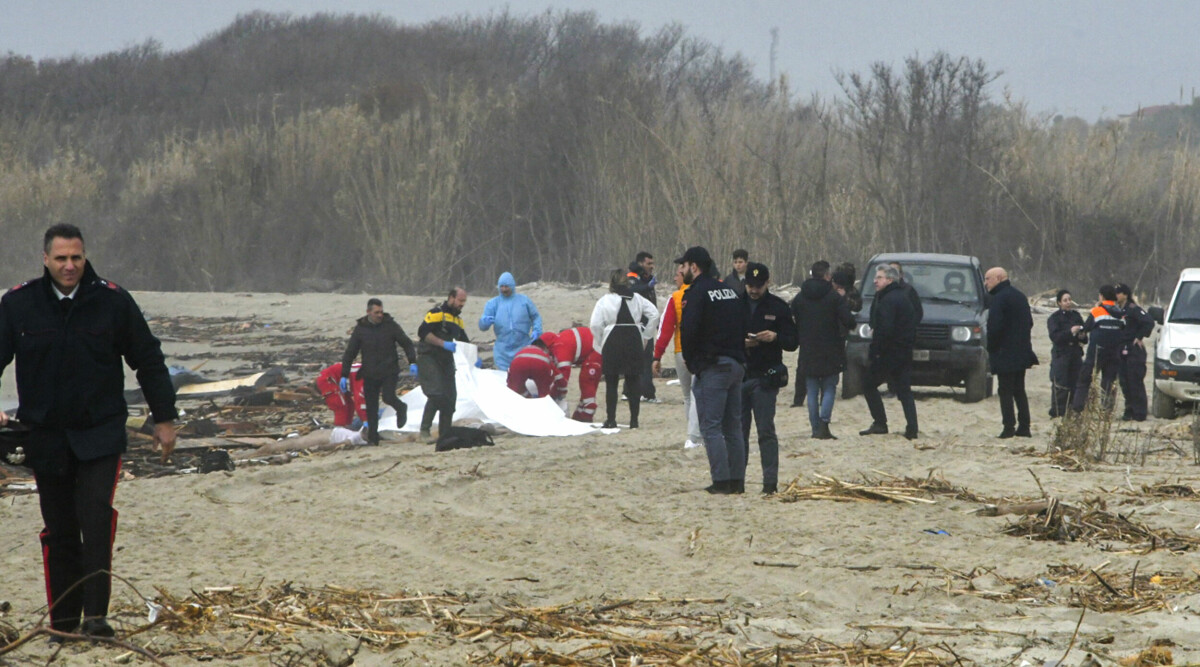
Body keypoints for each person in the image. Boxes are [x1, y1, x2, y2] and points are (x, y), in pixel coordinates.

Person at [0, 224, 177, 641]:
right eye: (60, 258)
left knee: (95, 520)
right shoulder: (19, 304)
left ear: (85, 257)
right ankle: (64, 622)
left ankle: (96, 618)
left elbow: (148, 359)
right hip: (45, 435)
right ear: (45, 259)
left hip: (100, 433)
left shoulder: (112, 301)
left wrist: (165, 419)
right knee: (59, 529)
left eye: (75, 258)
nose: (69, 266)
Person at [678, 246, 749, 494]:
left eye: (684, 266)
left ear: (694, 267)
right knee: (733, 426)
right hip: (736, 364)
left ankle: (721, 481)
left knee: (711, 426)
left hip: (713, 366)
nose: (681, 270)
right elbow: (743, 323)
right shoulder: (728, 290)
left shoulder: (696, 293)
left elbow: (688, 330)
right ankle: (737, 481)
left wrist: (692, 362)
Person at [740, 263, 798, 495]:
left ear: (768, 283)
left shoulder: (779, 306)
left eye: (758, 286)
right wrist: (740, 342)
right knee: (738, 433)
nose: (753, 290)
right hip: (740, 376)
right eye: (750, 286)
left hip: (765, 378)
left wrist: (775, 336)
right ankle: (736, 481)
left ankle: (769, 483)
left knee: (766, 431)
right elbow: (720, 336)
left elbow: (793, 341)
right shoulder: (734, 304)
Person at [340, 298, 417, 445]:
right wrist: (344, 375)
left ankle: (401, 408)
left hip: (389, 370)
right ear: (369, 312)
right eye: (377, 313)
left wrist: (412, 361)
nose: (380, 315)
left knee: (388, 397)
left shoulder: (390, 325)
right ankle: (373, 439)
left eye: (381, 312)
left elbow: (406, 343)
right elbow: (350, 353)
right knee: (371, 408)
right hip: (369, 372)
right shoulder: (361, 329)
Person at [792, 261, 855, 439]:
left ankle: (814, 428)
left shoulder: (800, 296)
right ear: (827, 276)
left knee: (811, 389)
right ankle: (824, 424)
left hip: (808, 347)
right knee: (829, 387)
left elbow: (793, 313)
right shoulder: (834, 297)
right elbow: (849, 320)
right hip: (831, 348)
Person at [591, 269, 659, 429]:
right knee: (633, 380)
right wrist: (646, 335)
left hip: (612, 339)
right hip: (633, 339)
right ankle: (634, 421)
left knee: (612, 382)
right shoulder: (637, 299)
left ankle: (611, 419)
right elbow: (655, 314)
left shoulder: (604, 300)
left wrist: (600, 341)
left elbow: (594, 324)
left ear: (612, 283)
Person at [859, 265, 919, 440]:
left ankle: (880, 423)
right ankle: (912, 428)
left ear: (890, 280)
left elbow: (885, 330)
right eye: (875, 277)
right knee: (904, 390)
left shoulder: (888, 300)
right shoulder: (902, 296)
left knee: (869, 385)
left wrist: (876, 352)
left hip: (888, 353)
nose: (875, 281)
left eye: (879, 277)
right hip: (904, 351)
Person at [652, 261, 703, 449]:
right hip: (699, 351)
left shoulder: (676, 297)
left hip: (681, 350)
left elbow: (665, 329)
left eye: (677, 274)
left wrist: (657, 356)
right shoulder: (701, 293)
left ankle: (692, 435)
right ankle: (697, 434)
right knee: (697, 394)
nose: (674, 277)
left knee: (688, 396)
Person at [984, 267, 1038, 438]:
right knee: (1019, 390)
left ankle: (1008, 427)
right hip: (1021, 351)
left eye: (988, 279)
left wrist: (991, 348)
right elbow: (1029, 323)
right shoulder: (1020, 296)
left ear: (999, 278)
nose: (985, 283)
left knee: (1005, 391)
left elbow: (994, 328)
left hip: (1004, 352)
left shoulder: (999, 299)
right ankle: (1024, 427)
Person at [417, 287, 472, 442]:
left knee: (450, 398)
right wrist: (443, 344)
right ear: (451, 298)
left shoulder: (458, 321)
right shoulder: (436, 314)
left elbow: (464, 342)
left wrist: (473, 358)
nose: (462, 304)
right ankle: (424, 431)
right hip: (429, 357)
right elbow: (423, 332)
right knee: (436, 394)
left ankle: (445, 433)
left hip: (447, 361)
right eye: (460, 301)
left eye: (464, 301)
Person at [1071, 285, 1125, 414]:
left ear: (1101, 296)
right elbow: (1123, 329)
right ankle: (1106, 411)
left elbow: (1086, 328)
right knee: (1109, 382)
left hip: (1096, 352)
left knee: (1084, 379)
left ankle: (1078, 409)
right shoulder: (1121, 314)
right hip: (1114, 353)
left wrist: (1079, 333)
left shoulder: (1097, 311)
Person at [478, 272, 542, 371]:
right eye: (501, 286)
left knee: (522, 377)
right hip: (502, 351)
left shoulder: (524, 301)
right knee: (503, 380)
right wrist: (484, 322)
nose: (504, 289)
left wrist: (537, 330)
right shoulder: (493, 304)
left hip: (523, 347)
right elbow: (482, 327)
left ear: (512, 286)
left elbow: (535, 317)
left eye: (506, 286)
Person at [541, 327, 603, 421]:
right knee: (587, 380)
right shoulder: (559, 343)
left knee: (587, 380)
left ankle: (587, 412)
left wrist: (554, 395)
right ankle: (581, 413)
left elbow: (563, 378)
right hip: (595, 347)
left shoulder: (560, 349)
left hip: (596, 349)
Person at [1115, 283, 1155, 421]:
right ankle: (1129, 410)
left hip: (1133, 350)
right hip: (1121, 348)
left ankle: (1140, 412)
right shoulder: (1119, 310)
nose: (1116, 295)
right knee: (1124, 381)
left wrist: (1139, 336)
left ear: (1125, 294)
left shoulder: (1133, 309)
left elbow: (1149, 321)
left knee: (1135, 380)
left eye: (1118, 292)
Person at [626, 252, 659, 403]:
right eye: (648, 264)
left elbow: (651, 300)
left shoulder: (647, 278)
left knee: (638, 358)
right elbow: (632, 291)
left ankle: (629, 391)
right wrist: (647, 286)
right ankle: (647, 393)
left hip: (648, 322)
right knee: (644, 358)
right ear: (640, 264)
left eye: (652, 264)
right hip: (637, 323)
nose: (651, 267)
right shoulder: (632, 276)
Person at [1047, 290, 1086, 418]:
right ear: (1059, 303)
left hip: (1075, 353)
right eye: (1065, 300)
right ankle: (1058, 410)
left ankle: (1074, 409)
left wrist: (1082, 335)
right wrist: (1070, 332)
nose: (1068, 302)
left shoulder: (1076, 316)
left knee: (1076, 381)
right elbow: (1055, 337)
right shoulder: (1054, 318)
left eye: (1069, 299)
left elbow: (1085, 338)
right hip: (1061, 354)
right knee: (1060, 382)